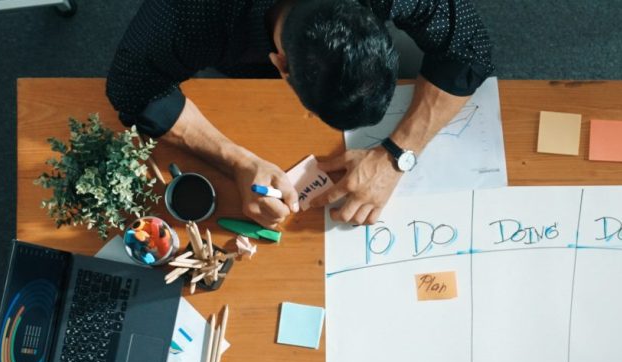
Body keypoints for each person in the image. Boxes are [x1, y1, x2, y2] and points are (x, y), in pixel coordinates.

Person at [107, 0, 494, 227]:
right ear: (279, 64)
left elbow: (469, 45)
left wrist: (397, 154)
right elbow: (132, 85)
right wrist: (237, 162)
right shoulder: (191, 16)